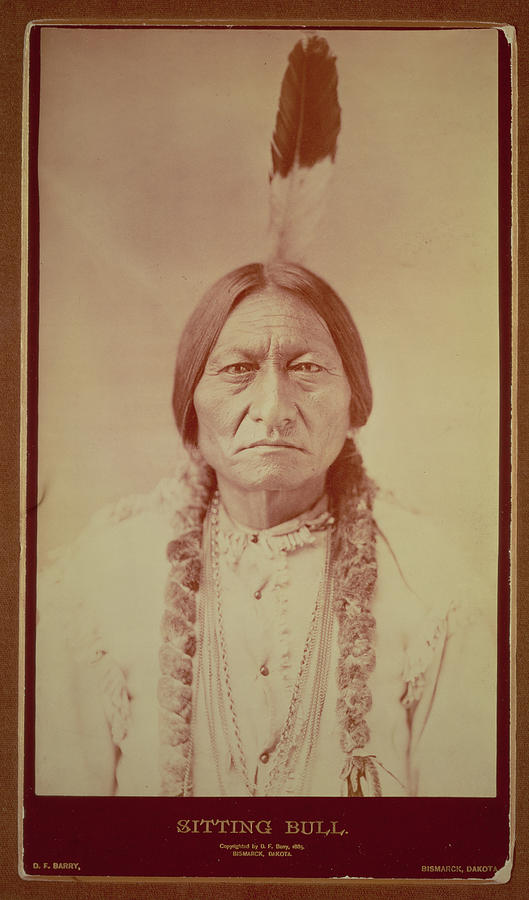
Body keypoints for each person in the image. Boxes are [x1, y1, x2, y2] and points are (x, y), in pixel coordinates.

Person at [36, 261, 496, 798]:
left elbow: (460, 842)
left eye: (307, 368)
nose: (273, 409)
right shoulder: (94, 583)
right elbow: (65, 840)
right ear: (191, 414)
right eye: (236, 369)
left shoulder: (433, 585)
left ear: (354, 404)